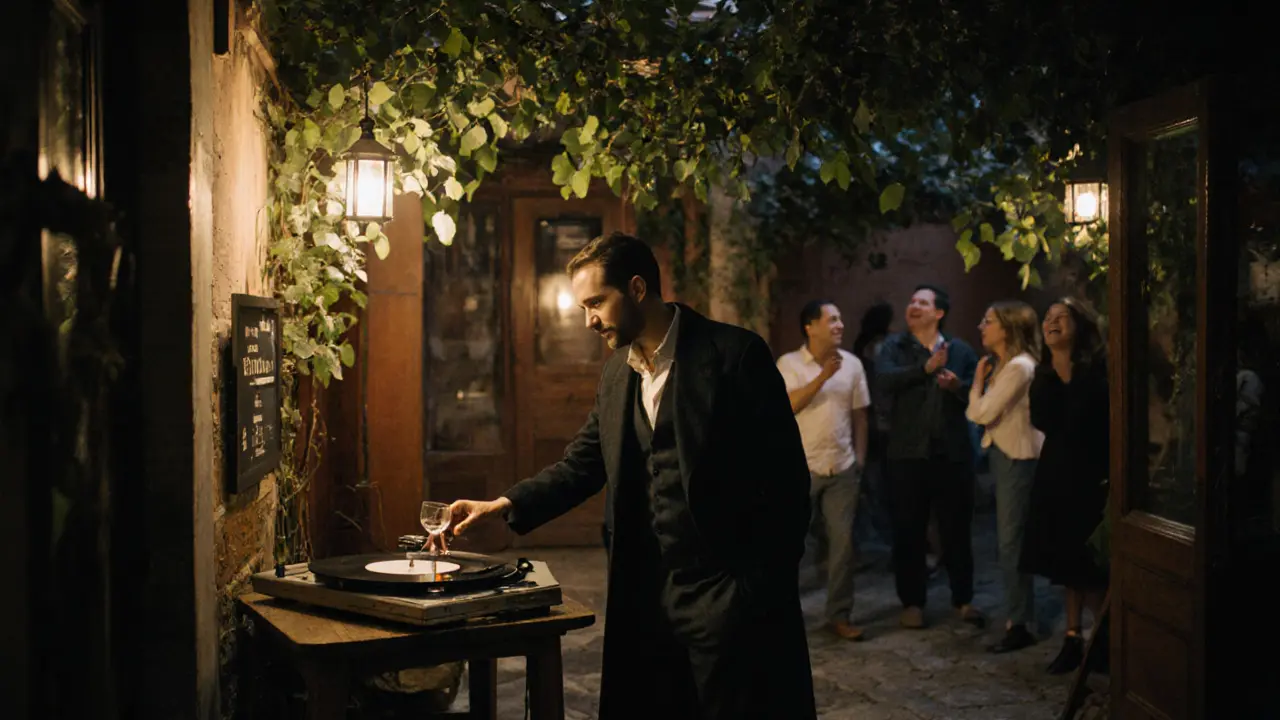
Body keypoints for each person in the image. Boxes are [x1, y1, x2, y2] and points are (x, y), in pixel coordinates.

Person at [438, 232, 816, 719]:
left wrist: (753, 591)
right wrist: (504, 506)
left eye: (596, 302)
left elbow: (787, 484)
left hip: (728, 600)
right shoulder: (618, 374)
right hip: (647, 600)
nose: (588, 320)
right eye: (582, 308)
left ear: (637, 288)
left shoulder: (735, 356)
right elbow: (582, 464)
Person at [875, 284, 986, 629]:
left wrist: (957, 388)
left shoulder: (961, 350)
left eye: (922, 303)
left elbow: (978, 397)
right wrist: (924, 369)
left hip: (951, 455)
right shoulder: (894, 347)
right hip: (907, 455)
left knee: (956, 530)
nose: (913, 306)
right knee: (908, 531)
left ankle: (963, 599)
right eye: (911, 301)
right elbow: (883, 382)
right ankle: (912, 602)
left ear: (938, 312)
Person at [1020, 297, 1110, 673]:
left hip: (1091, 474)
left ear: (1080, 326)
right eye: (1048, 318)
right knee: (1066, 562)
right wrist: (1056, 364)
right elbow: (1044, 420)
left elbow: (1089, 421)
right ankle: (1074, 638)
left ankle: (1107, 637)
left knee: (1085, 562)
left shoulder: (1098, 371)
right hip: (1057, 474)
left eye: (1062, 317)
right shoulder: (1043, 374)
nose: (1052, 322)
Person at [777, 300, 871, 641]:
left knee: (843, 545)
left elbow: (861, 414)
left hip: (842, 467)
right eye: (832, 319)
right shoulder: (788, 364)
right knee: (789, 546)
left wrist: (860, 458)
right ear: (810, 326)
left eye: (840, 318)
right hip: (800, 468)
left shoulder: (854, 365)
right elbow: (787, 405)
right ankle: (782, 616)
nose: (840, 325)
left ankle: (839, 615)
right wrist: (823, 376)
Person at [966, 300, 1044, 653]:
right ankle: (1018, 616)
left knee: (1012, 542)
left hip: (1017, 458)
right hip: (1006, 456)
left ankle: (1021, 622)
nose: (982, 326)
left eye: (989, 321)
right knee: (1009, 540)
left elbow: (981, 412)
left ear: (1009, 328)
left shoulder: (1018, 368)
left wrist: (977, 384)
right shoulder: (1007, 366)